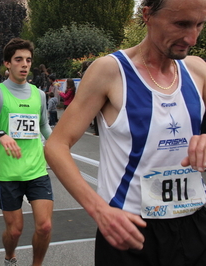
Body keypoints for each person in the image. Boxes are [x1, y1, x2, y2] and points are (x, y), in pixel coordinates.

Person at [45, 0, 206, 265]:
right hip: (130, 230)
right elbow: (56, 145)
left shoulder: (198, 69)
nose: (192, 37)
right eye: (181, 24)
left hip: (194, 227)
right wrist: (99, 210)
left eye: (200, 24)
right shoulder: (110, 71)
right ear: (147, 16)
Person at [0, 38, 53, 266]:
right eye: (18, 59)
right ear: (7, 64)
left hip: (37, 170)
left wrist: (60, 143)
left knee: (45, 226)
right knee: (15, 231)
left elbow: (44, 126)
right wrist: (0, 134)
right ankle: (10, 256)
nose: (24, 64)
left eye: (28, 60)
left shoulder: (38, 95)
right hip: (9, 174)